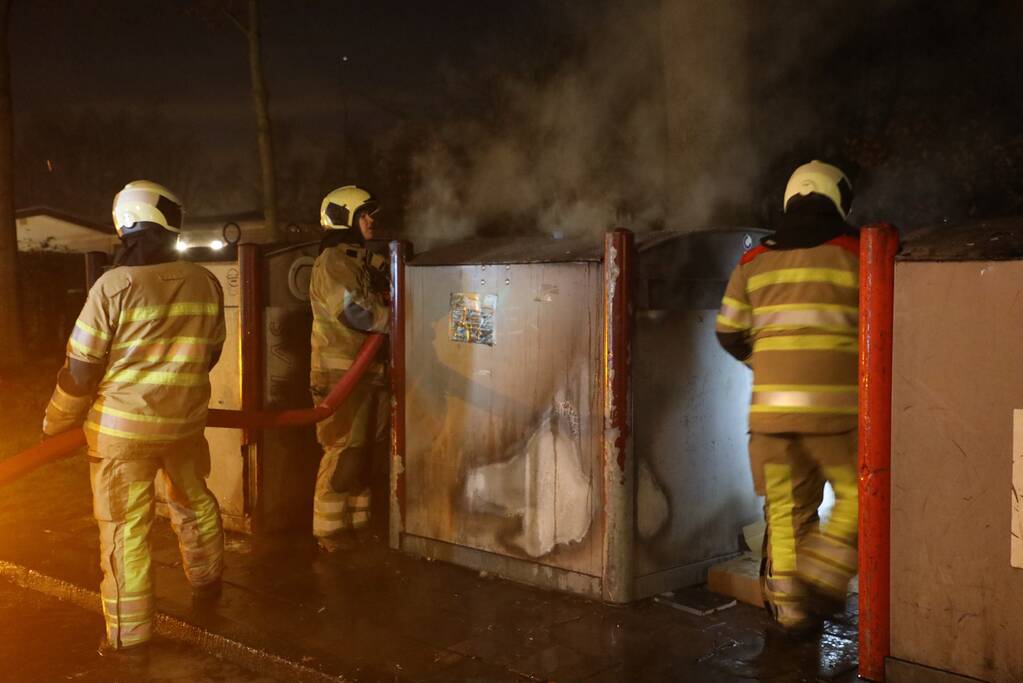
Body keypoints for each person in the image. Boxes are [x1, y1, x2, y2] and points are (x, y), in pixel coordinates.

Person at [42, 180, 226, 653]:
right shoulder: (205, 280)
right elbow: (211, 354)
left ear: (125, 221)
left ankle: (129, 638)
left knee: (126, 531)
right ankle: (208, 585)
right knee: (196, 503)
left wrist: (54, 424)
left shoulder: (113, 285)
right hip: (184, 426)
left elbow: (80, 372)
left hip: (122, 435)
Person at [716, 160, 860, 634]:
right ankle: (824, 575)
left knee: (783, 513)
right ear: (837, 198)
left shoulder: (753, 261)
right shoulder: (856, 253)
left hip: (771, 423)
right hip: (836, 420)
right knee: (858, 496)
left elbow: (729, 332)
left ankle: (791, 617)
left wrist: (768, 364)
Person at [308, 185, 390, 552]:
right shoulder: (332, 263)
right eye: (364, 215)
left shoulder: (356, 259)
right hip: (340, 377)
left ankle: (359, 526)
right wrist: (399, 317)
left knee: (365, 454)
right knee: (344, 453)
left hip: (367, 374)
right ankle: (330, 535)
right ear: (346, 219)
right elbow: (356, 312)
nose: (371, 221)